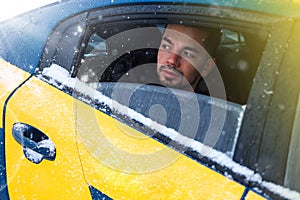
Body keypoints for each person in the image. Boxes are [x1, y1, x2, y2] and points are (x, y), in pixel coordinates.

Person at [157, 24, 221, 93]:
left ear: (206, 67)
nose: (172, 60)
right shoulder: (144, 91)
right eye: (166, 46)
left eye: (188, 54)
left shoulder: (213, 103)